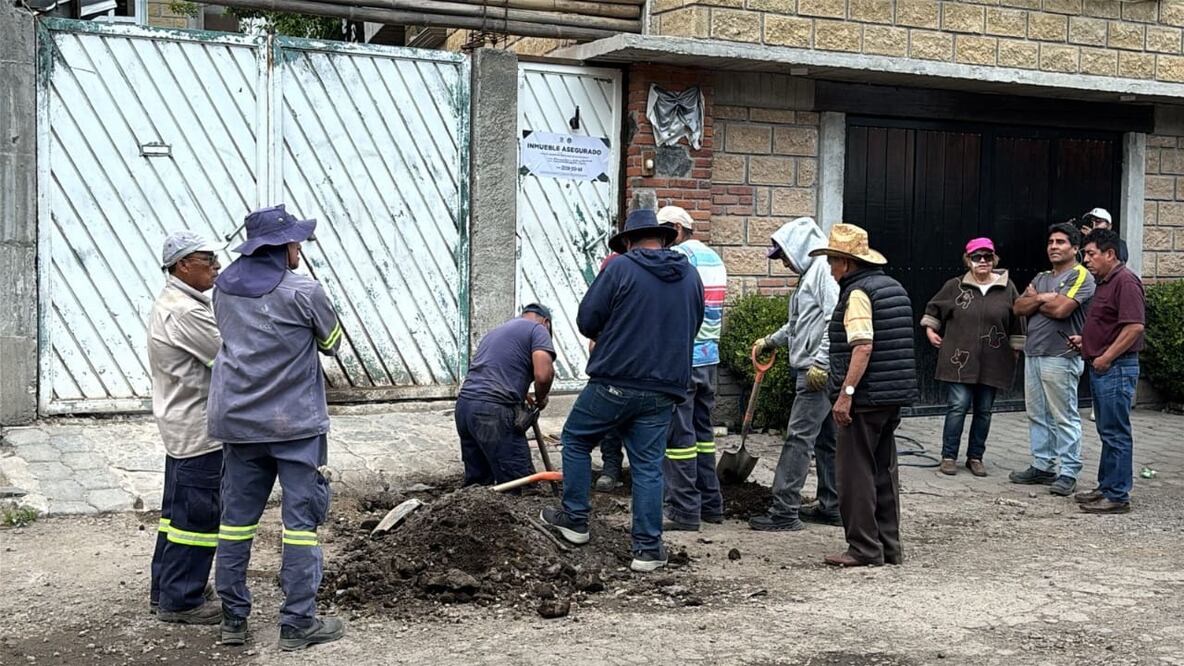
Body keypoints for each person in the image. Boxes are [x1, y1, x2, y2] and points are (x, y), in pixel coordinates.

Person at [207, 205, 345, 651]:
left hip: (237, 422)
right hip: (295, 425)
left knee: (235, 523)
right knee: (300, 525)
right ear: (282, 247)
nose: (300, 248)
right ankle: (297, 623)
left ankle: (233, 620)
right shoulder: (304, 290)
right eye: (296, 242)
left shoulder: (222, 288)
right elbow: (332, 344)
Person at [540, 209, 703, 573]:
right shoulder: (690, 276)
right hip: (665, 387)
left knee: (578, 439)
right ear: (663, 238)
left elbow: (587, 322)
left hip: (616, 380)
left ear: (629, 241)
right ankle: (647, 550)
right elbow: (692, 325)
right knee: (647, 465)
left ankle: (575, 520)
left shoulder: (620, 267)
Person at [810, 224, 917, 568]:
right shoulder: (892, 287)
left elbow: (863, 346)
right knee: (883, 471)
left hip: (866, 397)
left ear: (847, 262)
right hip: (891, 395)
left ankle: (863, 548)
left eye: (832, 261)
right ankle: (888, 547)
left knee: (855, 473)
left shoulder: (857, 294)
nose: (829, 268)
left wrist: (846, 394)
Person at [147, 231, 223, 624]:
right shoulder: (187, 311)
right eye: (206, 260)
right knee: (199, 517)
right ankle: (182, 600)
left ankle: (166, 587)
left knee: (176, 515)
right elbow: (226, 358)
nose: (216, 267)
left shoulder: (179, 301)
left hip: (182, 425)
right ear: (181, 265)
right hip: (198, 429)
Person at [749, 217, 841, 531]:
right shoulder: (809, 275)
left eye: (785, 256)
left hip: (815, 372)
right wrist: (771, 340)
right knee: (827, 441)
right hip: (812, 368)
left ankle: (784, 510)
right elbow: (800, 322)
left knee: (798, 439)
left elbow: (835, 321)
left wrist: (822, 362)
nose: (784, 263)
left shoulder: (822, 275)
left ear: (799, 249)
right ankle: (833, 505)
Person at [920, 238, 1025, 477]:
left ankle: (975, 457)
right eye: (977, 257)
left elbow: (1018, 319)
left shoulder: (1007, 287)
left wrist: (1016, 347)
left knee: (984, 410)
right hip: (960, 357)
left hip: (994, 358)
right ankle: (948, 456)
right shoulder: (954, 286)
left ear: (994, 260)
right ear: (968, 260)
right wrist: (930, 330)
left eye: (988, 257)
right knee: (957, 406)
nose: (983, 261)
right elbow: (934, 308)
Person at [1010, 223, 1096, 498]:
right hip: (1034, 353)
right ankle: (1042, 465)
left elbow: (1061, 310)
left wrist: (1038, 299)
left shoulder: (1081, 276)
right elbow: (1018, 307)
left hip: (1061, 355)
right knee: (1037, 414)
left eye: (1060, 242)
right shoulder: (1042, 276)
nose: (1054, 247)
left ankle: (1069, 471)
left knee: (1064, 416)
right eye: (1051, 242)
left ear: (1075, 248)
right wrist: (1044, 298)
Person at [656, 205, 727, 531]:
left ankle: (683, 511)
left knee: (678, 437)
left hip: (684, 358)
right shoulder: (714, 258)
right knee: (703, 434)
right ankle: (712, 504)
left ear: (676, 229)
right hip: (709, 357)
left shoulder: (681, 258)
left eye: (663, 233)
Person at [1071, 229, 1145, 514]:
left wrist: (1106, 357)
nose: (1086, 259)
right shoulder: (1105, 282)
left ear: (1110, 254)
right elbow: (1110, 324)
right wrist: (1086, 341)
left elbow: (1134, 326)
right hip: (1105, 366)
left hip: (1116, 368)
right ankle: (1106, 486)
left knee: (1116, 432)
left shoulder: (1125, 281)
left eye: (1091, 254)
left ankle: (1117, 495)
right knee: (1107, 431)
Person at [456, 304, 555, 486]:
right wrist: (542, 398)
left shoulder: (498, 331)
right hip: (491, 412)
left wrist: (523, 393)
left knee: (478, 486)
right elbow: (543, 375)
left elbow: (499, 368)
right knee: (520, 484)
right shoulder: (538, 329)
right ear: (546, 323)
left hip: (465, 407)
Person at [593, 251, 626, 493]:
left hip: (638, 369)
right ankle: (611, 469)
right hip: (611, 369)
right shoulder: (612, 269)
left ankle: (639, 475)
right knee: (609, 422)